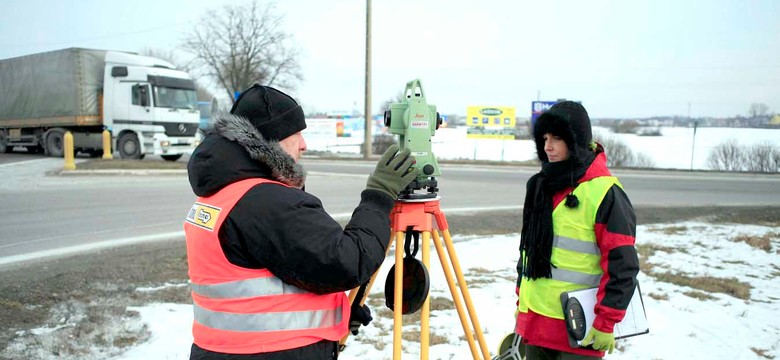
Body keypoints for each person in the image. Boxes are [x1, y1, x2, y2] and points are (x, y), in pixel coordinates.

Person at [183, 84, 419, 359]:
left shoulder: (223, 194)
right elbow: (347, 262)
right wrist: (379, 196)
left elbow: (277, 276)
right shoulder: (268, 201)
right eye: (295, 134)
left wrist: (333, 312)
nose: (304, 144)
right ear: (269, 142)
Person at [514, 101, 639, 359]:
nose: (548, 146)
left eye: (557, 138)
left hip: (579, 330)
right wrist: (521, 303)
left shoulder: (605, 193)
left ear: (576, 141)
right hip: (536, 325)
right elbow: (527, 253)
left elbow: (622, 266)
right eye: (544, 138)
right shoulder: (540, 186)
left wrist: (607, 322)